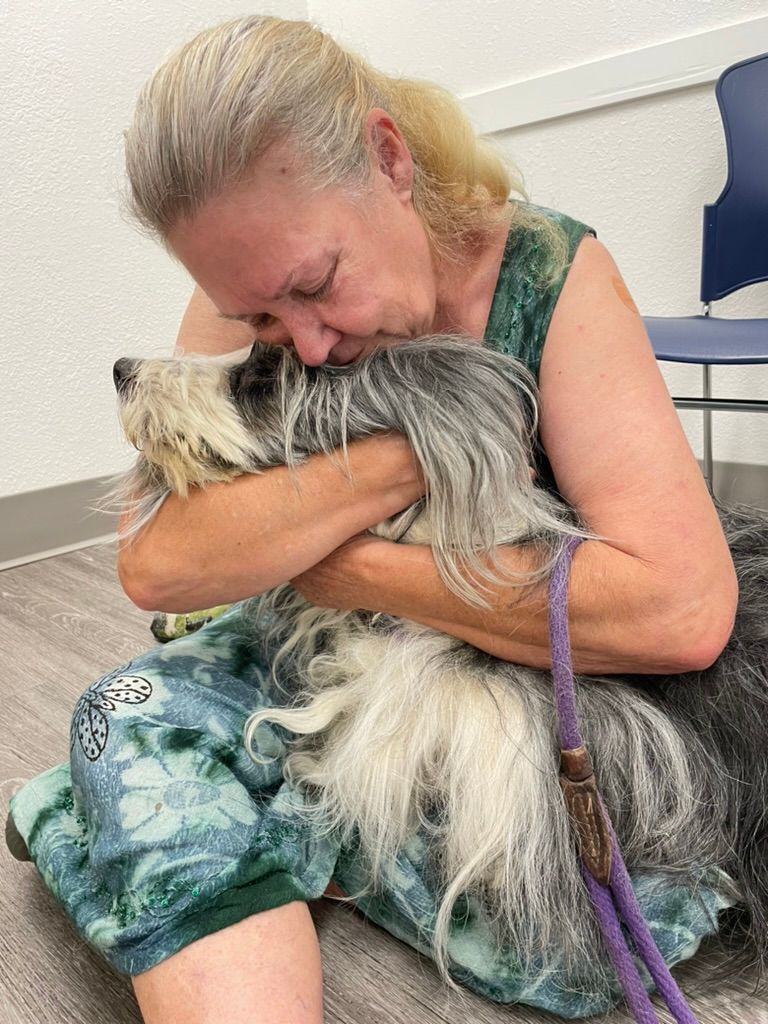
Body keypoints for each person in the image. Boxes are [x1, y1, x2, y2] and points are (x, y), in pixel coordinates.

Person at [7, 14, 739, 1024]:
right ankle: (312, 837)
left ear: (389, 158)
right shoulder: (257, 263)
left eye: (315, 287)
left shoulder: (552, 277)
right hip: (322, 653)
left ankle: (252, 834)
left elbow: (682, 611)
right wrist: (403, 459)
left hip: (497, 678)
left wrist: (337, 564)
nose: (298, 343)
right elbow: (160, 563)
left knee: (587, 910)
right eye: (258, 320)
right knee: (119, 712)